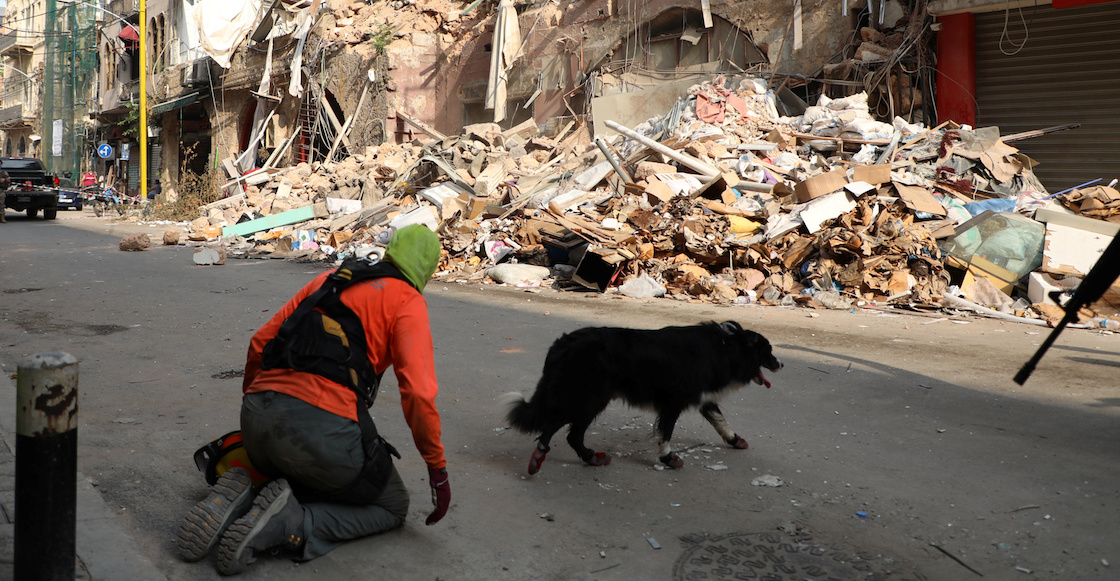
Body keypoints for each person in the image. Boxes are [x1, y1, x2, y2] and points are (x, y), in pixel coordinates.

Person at [176, 224, 451, 576]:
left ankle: (243, 486)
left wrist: (259, 408)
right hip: (321, 431)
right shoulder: (407, 300)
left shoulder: (332, 279)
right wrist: (437, 467)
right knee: (391, 504)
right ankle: (292, 523)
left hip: (257, 417)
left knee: (300, 461)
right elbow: (418, 392)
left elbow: (260, 342)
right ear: (426, 271)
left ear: (392, 250)